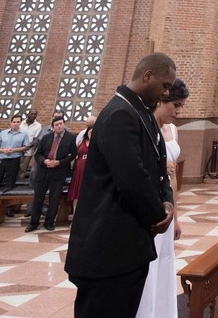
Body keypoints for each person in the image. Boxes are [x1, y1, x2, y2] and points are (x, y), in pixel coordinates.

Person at [65, 53, 176, 318]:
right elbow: (131, 178)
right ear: (147, 76)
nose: (166, 93)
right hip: (107, 250)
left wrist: (168, 199)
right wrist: (158, 214)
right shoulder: (119, 113)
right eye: (165, 85)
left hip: (128, 249)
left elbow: (159, 167)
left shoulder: (142, 114)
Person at [137, 78, 189, 318]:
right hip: (151, 205)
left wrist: (176, 216)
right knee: (149, 263)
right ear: (161, 100)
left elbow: (174, 179)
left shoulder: (173, 129)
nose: (178, 113)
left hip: (168, 203)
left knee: (165, 259)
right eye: (176, 106)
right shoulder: (145, 125)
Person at [26, 116, 77, 232]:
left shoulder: (70, 138)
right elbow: (37, 154)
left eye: (61, 123)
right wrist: (44, 161)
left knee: (54, 199)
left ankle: (49, 222)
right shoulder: (46, 137)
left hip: (59, 172)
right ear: (53, 127)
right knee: (38, 198)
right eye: (56, 124)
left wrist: (59, 162)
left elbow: (73, 155)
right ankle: (33, 223)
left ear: (64, 124)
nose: (59, 126)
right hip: (44, 171)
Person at [68, 124, 91, 211]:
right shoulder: (81, 141)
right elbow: (74, 153)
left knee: (85, 193)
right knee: (76, 194)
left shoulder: (97, 143)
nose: (91, 134)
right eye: (90, 132)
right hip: (78, 169)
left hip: (89, 170)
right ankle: (74, 218)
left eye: (93, 132)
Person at [20, 109, 43, 183]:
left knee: (22, 169)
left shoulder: (38, 126)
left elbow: (36, 139)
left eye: (35, 114)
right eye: (32, 114)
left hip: (28, 150)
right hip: (16, 149)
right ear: (28, 114)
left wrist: (27, 147)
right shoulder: (21, 123)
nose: (33, 116)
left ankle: (19, 183)